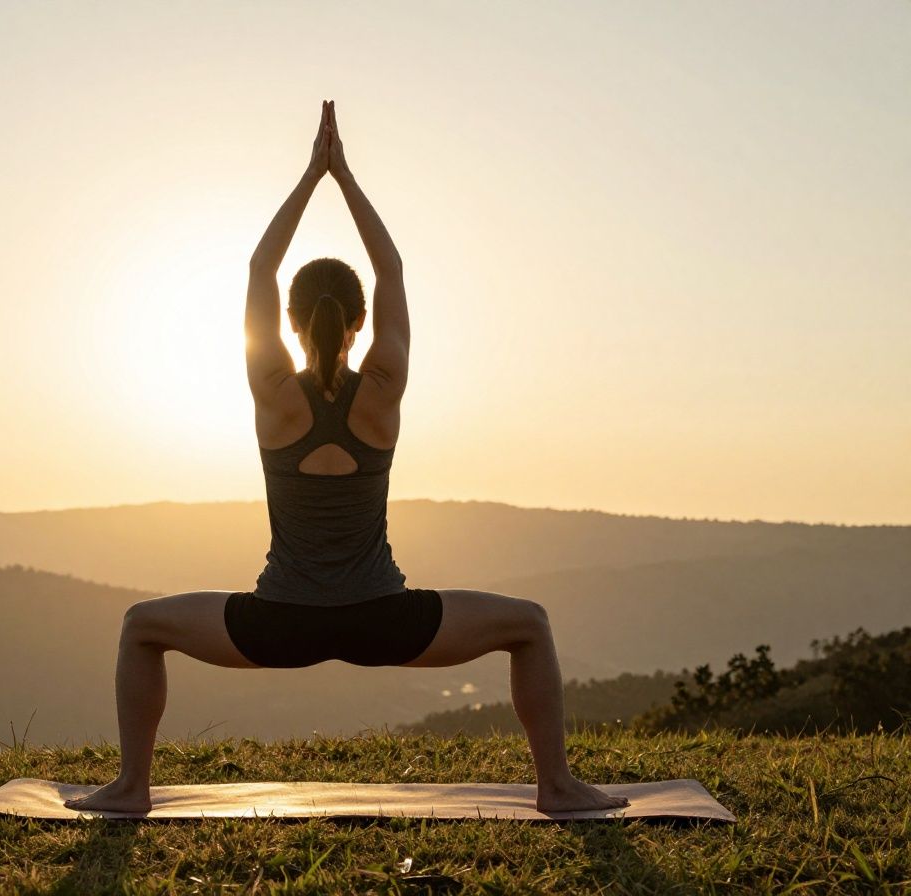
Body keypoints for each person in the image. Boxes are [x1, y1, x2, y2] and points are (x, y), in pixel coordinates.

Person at [66, 100, 628, 815]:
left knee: (141, 626)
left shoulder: (272, 391)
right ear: (359, 320)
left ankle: (131, 788)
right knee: (531, 624)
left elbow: (259, 267)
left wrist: (310, 176)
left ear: (293, 323)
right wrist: (345, 176)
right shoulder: (384, 386)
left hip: (279, 623)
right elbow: (389, 266)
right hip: (383, 618)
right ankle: (555, 786)